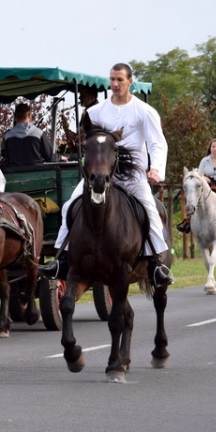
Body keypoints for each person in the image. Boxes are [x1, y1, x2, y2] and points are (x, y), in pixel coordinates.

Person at [42, 63, 174, 288]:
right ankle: (61, 259)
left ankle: (156, 264)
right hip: (100, 176)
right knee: (68, 206)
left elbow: (157, 143)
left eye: (120, 80)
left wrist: (157, 169)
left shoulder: (145, 111)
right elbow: (88, 140)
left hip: (133, 177)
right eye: (112, 79)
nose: (115, 84)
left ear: (130, 81)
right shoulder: (96, 112)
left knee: (150, 211)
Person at [2, 103, 66, 167]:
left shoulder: (7, 136)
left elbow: (4, 157)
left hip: (13, 174)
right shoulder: (38, 133)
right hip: (36, 173)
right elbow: (49, 156)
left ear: (15, 118)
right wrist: (60, 158)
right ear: (29, 115)